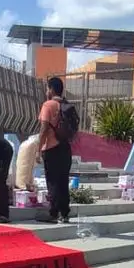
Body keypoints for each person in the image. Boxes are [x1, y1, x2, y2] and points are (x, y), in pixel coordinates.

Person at [37, 76, 80, 223]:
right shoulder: (67, 105)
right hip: (65, 148)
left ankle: (53, 214)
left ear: (51, 89)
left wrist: (38, 149)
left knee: (53, 182)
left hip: (52, 148)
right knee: (63, 181)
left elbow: (43, 129)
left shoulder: (48, 105)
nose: (46, 91)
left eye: (47, 88)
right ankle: (65, 213)